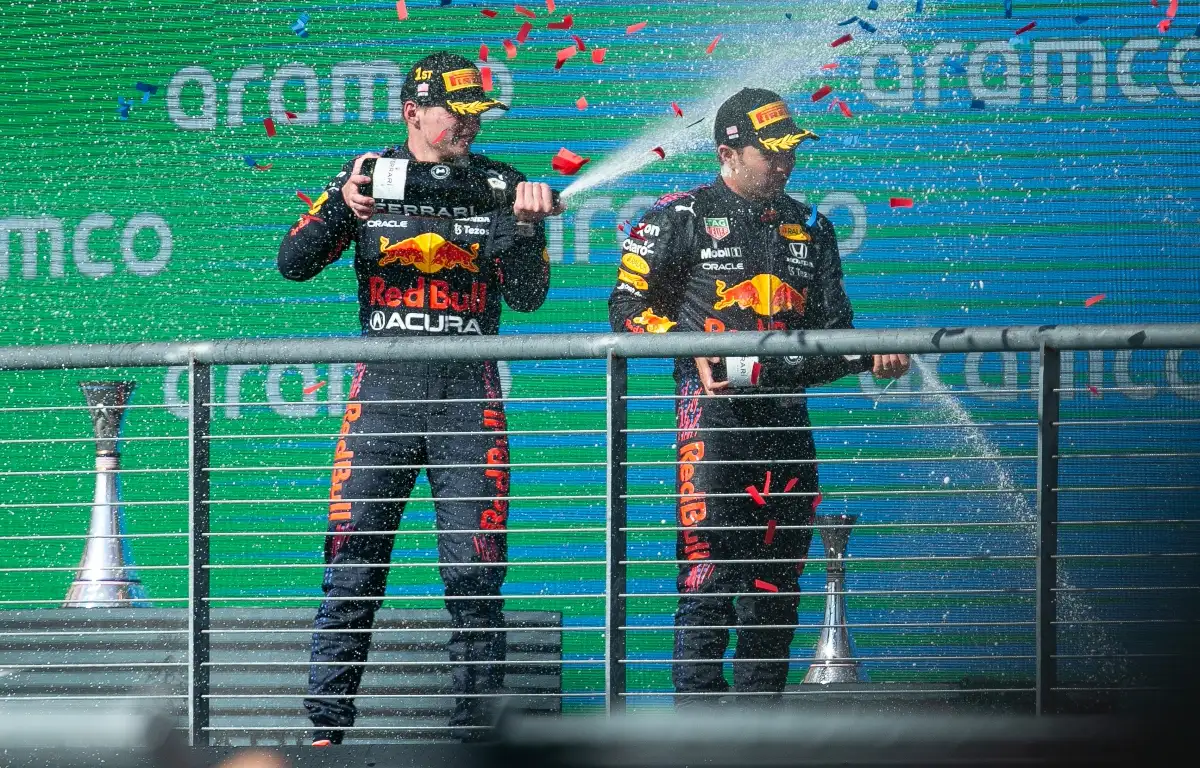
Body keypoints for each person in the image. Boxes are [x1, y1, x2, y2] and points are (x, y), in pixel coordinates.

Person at [277, 51, 560, 745]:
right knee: (352, 567)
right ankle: (325, 732)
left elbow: (527, 297)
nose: (467, 123)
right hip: (382, 397)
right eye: (454, 111)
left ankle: (476, 740)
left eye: (475, 113)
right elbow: (292, 263)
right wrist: (343, 209)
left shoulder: (504, 183)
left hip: (470, 401)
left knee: (474, 574)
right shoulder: (364, 173)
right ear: (412, 112)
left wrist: (525, 228)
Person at [608, 87, 910, 706]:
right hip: (711, 417)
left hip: (786, 421)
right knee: (708, 578)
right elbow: (625, 309)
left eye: (789, 151)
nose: (784, 164)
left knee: (777, 584)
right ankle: (698, 732)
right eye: (770, 154)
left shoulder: (813, 225)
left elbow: (835, 336)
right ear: (727, 152)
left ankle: (759, 730)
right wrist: (688, 345)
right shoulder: (677, 216)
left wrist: (873, 357)